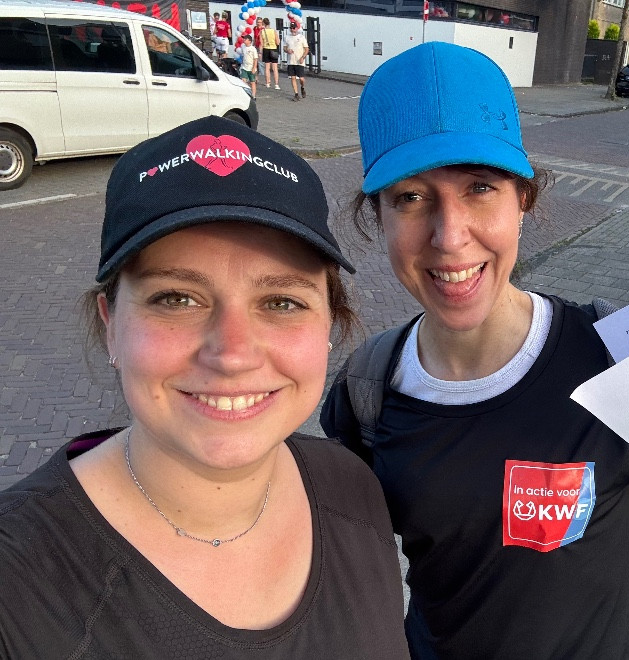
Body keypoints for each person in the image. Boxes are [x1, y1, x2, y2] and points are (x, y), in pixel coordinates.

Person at [0, 116, 411, 659]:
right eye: (177, 299)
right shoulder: (19, 584)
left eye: (281, 302)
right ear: (111, 324)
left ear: (328, 328)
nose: (232, 353)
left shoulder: (352, 488)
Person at [321, 41, 629, 659]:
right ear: (378, 216)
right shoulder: (366, 393)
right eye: (410, 197)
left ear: (524, 198)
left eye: (479, 187)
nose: (449, 237)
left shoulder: (619, 354)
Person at [284, 22, 308, 101]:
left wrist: (303, 57)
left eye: (294, 28)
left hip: (299, 60)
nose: (292, 29)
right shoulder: (287, 37)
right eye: (291, 28)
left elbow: (306, 49)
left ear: (297, 28)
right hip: (291, 61)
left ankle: (302, 87)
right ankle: (296, 94)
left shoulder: (301, 37)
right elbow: (284, 48)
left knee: (301, 79)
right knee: (293, 77)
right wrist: (287, 50)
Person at [260, 17, 280, 89]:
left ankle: (268, 83)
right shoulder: (273, 31)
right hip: (273, 49)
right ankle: (276, 84)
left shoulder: (262, 32)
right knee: (275, 68)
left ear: (263, 23)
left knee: (267, 67)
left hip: (266, 49)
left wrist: (260, 52)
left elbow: (261, 43)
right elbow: (277, 42)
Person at [240, 33, 258, 99]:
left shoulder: (253, 49)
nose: (244, 40)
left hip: (251, 67)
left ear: (249, 41)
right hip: (244, 67)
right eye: (244, 39)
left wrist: (254, 68)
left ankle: (253, 95)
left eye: (245, 39)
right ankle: (246, 94)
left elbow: (255, 59)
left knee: (252, 82)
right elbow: (243, 56)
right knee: (243, 80)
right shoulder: (243, 47)